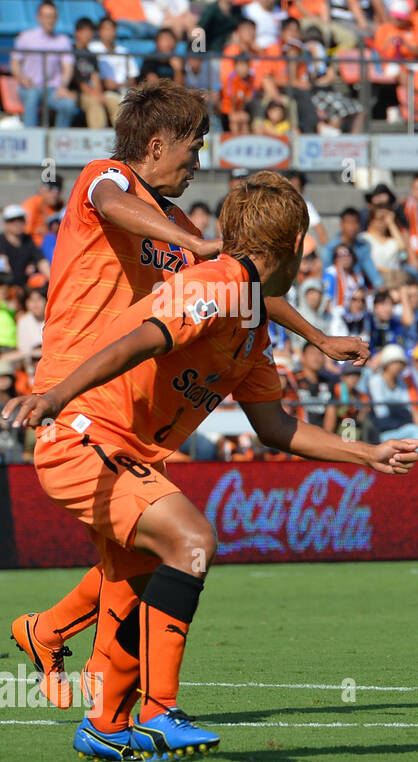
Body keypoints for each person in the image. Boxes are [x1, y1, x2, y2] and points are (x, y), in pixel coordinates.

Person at [2, 172, 418, 761]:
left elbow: (277, 429)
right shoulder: (215, 284)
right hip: (84, 434)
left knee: (136, 584)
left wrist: (368, 453)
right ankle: (159, 711)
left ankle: (102, 724)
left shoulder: (251, 329)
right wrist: (53, 397)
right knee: (193, 539)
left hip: (127, 448)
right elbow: (136, 342)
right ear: (292, 244)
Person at [8, 82, 366, 712]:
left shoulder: (179, 226)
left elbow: (246, 277)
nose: (198, 161)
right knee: (172, 545)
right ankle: (131, 707)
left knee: (135, 568)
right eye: (193, 147)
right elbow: (118, 206)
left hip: (130, 412)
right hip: (81, 394)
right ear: (155, 144)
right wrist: (198, 247)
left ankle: (73, 664)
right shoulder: (105, 179)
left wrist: (315, 335)